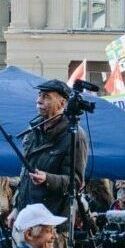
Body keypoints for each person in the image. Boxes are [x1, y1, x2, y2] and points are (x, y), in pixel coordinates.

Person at [14, 80, 83, 216]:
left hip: (51, 222)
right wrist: (17, 208)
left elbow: (75, 184)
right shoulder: (33, 130)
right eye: (39, 95)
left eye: (46, 97)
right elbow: (25, 175)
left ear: (62, 103)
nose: (39, 100)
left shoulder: (74, 135)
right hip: (27, 216)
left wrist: (48, 179)